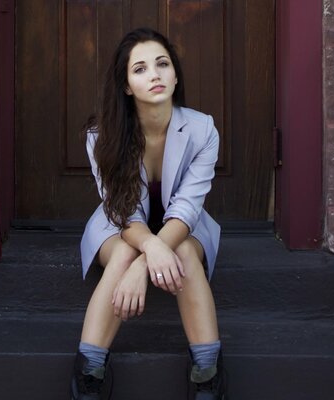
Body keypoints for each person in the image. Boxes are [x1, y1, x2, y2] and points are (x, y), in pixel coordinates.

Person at [71, 27, 226, 400]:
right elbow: (122, 210)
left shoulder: (203, 129)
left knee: (184, 251)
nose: (154, 75)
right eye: (139, 69)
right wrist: (144, 251)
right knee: (124, 253)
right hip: (119, 226)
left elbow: (189, 206)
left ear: (175, 74)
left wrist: (148, 263)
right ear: (126, 85)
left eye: (162, 64)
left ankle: (207, 372)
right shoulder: (101, 134)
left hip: (185, 228)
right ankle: (90, 369)